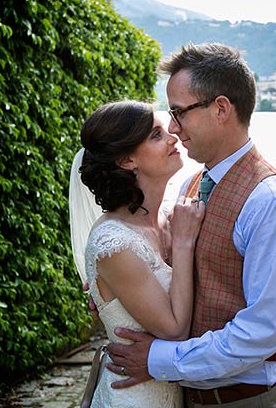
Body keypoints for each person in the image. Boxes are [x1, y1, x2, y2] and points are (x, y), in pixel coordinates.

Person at [105, 43, 276, 407]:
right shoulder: (193, 183)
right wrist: (116, 293)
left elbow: (262, 333)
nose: (173, 127)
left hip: (249, 400)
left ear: (220, 108)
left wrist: (157, 360)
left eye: (179, 112)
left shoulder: (272, 201)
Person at [73, 100, 205, 408]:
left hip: (170, 391)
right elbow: (173, 329)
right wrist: (184, 244)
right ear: (127, 161)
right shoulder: (113, 243)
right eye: (157, 135)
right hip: (134, 397)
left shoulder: (168, 218)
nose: (174, 135)